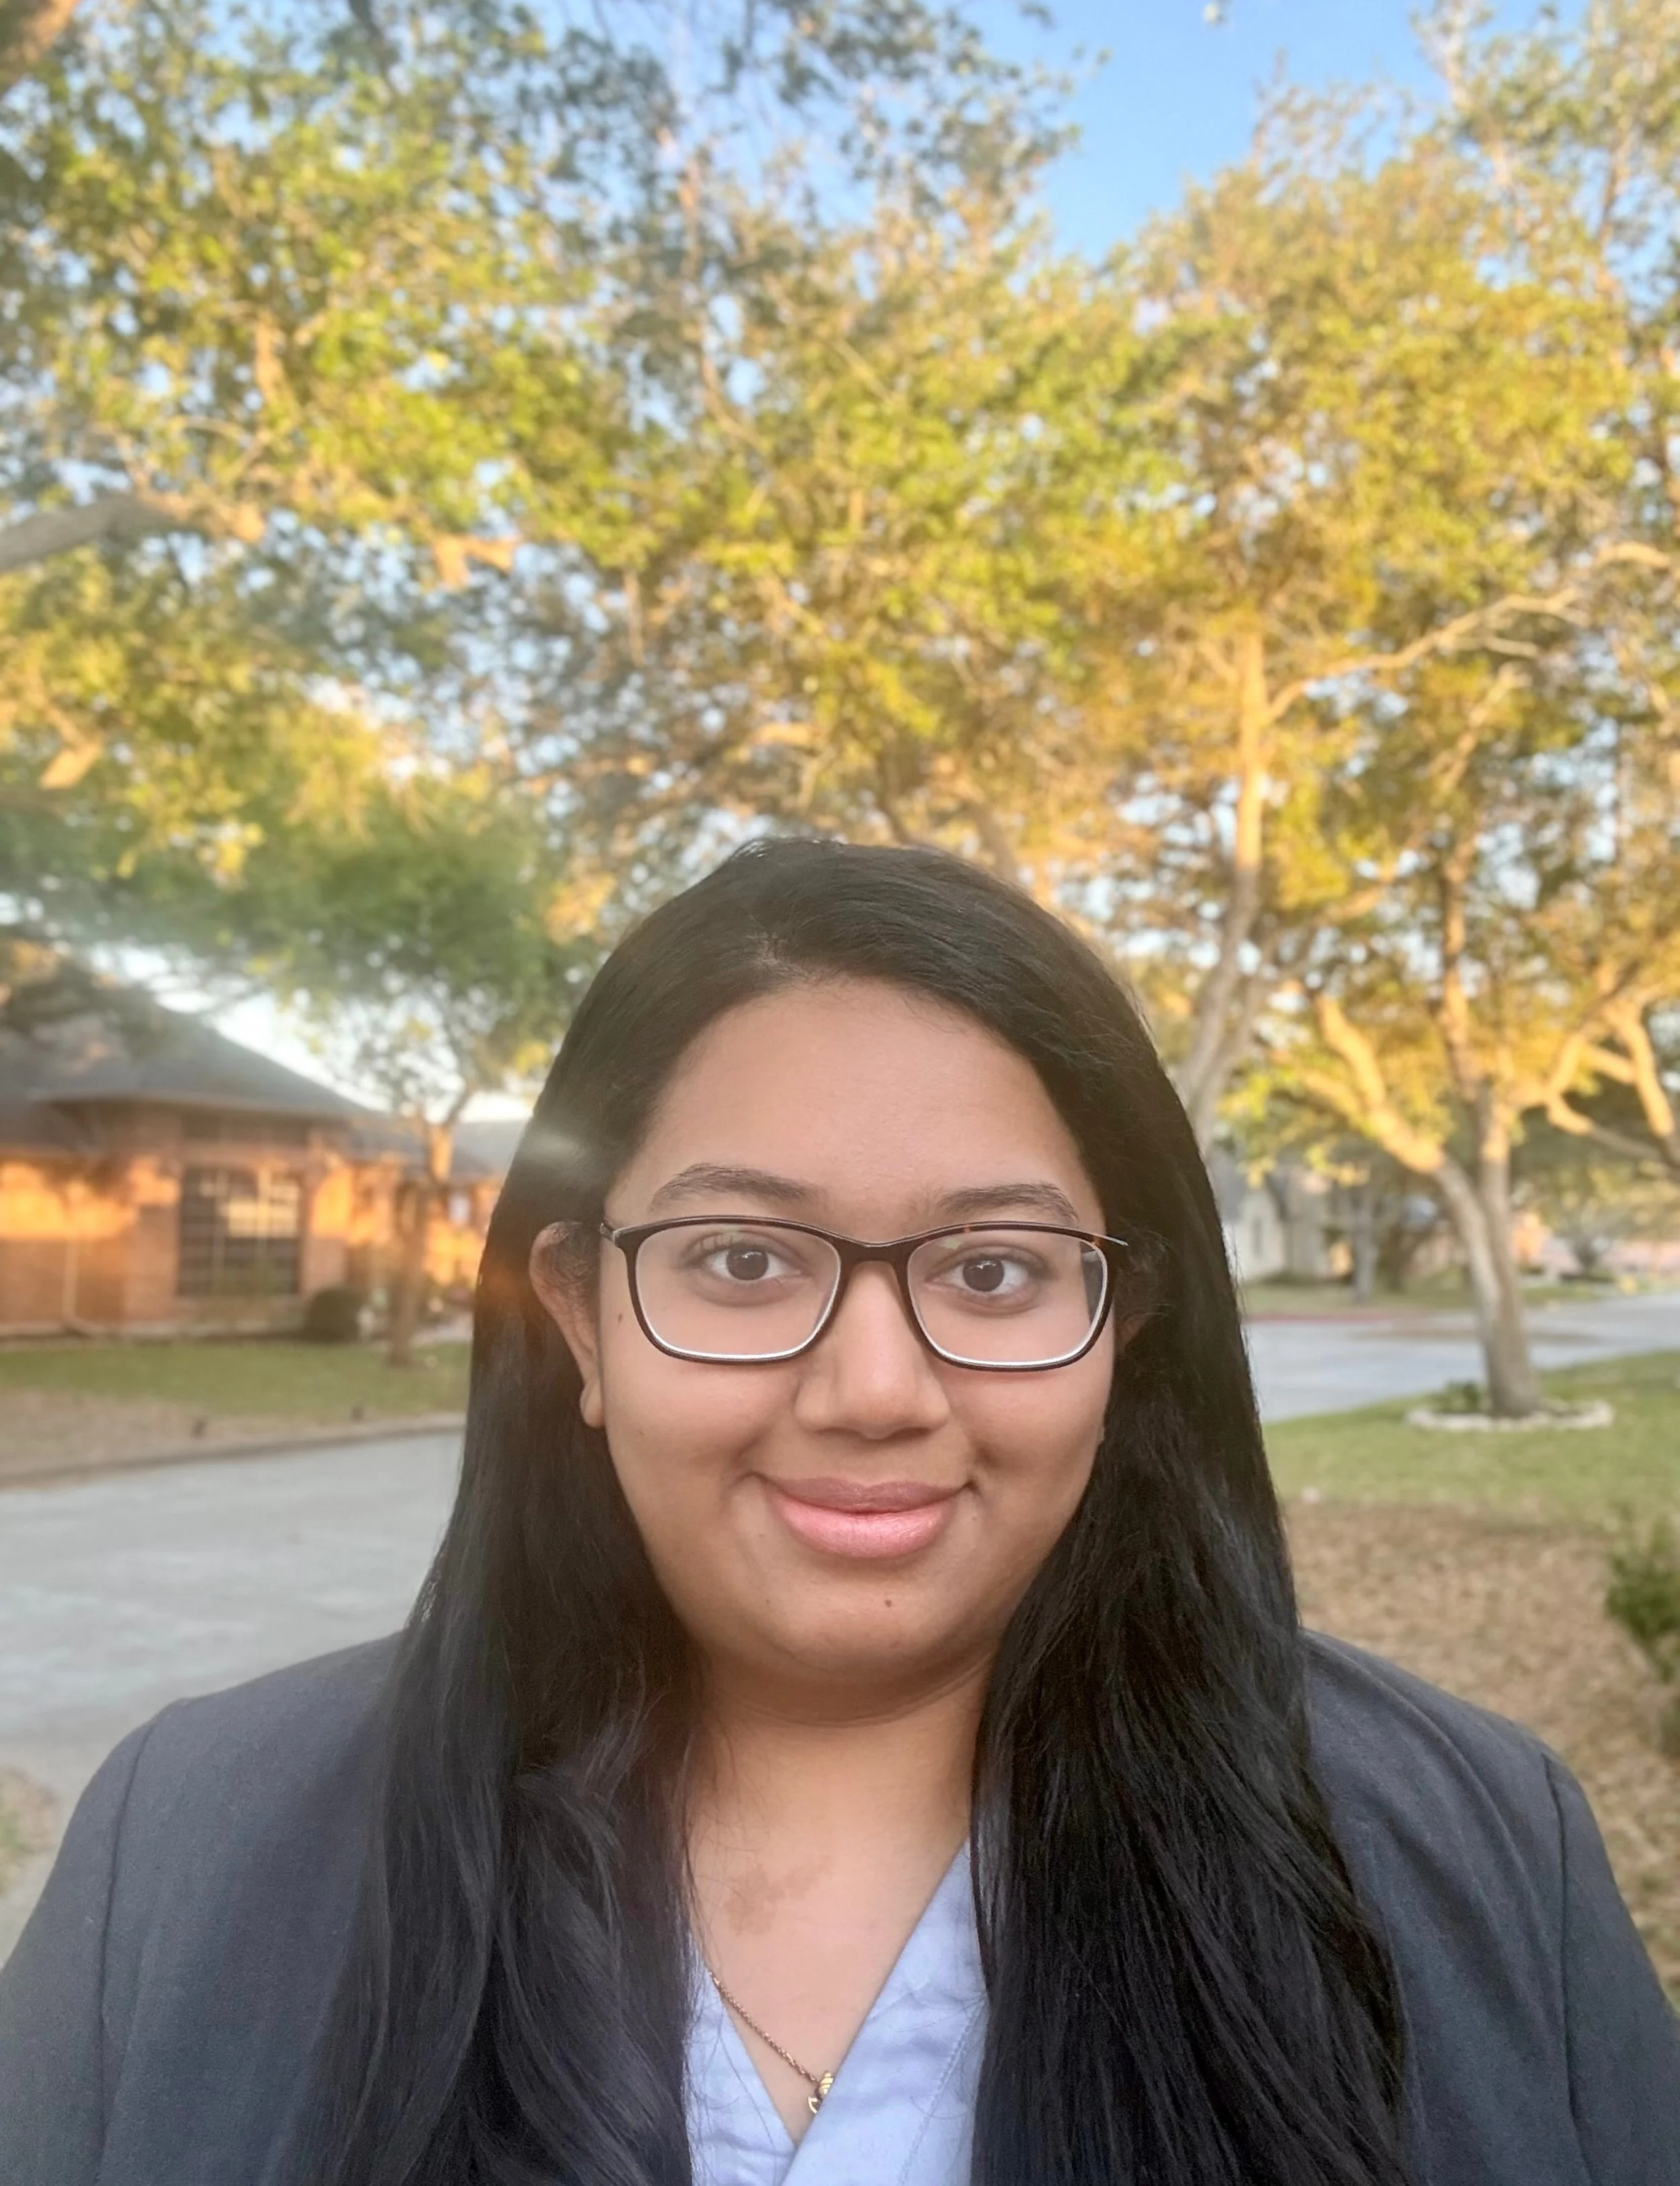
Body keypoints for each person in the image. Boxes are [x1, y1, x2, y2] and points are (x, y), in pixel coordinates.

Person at [1, 839, 1676, 2186]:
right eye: (741, 1258)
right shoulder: (194, 1851)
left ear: (1124, 1326)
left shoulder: (1472, 1853)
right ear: (579, 1317)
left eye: (995, 1269)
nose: (874, 1387)